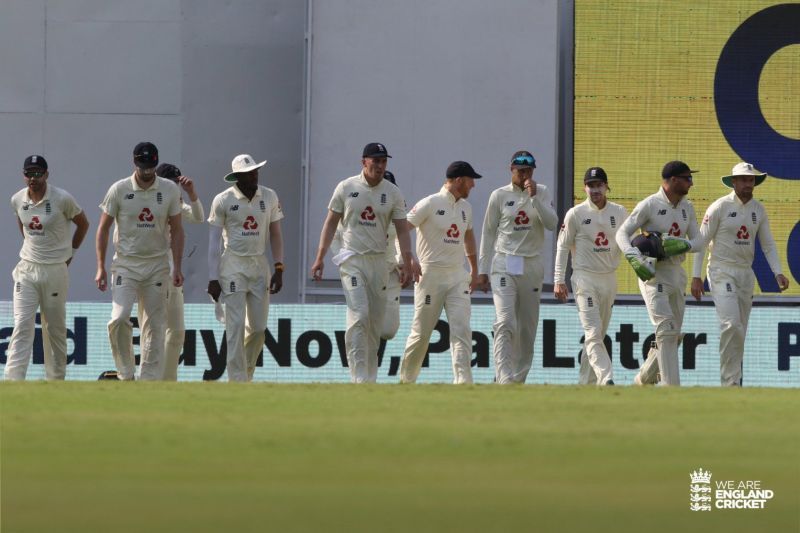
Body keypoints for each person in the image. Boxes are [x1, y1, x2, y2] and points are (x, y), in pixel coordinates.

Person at [311, 143, 419, 383]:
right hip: (353, 261)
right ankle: (358, 376)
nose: (380, 166)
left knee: (375, 323)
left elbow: (402, 231)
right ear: (364, 162)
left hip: (379, 263)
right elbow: (330, 224)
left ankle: (369, 377)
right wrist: (320, 257)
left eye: (384, 162)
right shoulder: (346, 187)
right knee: (359, 315)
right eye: (376, 161)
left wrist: (408, 260)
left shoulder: (392, 193)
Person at [690, 162, 790, 386]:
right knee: (731, 324)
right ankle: (730, 381)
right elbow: (701, 242)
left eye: (751, 179)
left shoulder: (758, 210)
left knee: (740, 329)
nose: (748, 183)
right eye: (743, 179)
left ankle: (734, 380)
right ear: (733, 182)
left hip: (746, 273)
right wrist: (697, 277)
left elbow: (768, 245)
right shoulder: (719, 207)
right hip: (720, 270)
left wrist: (778, 272)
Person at [96, 142, 184, 381]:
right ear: (135, 163)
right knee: (119, 318)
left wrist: (177, 266)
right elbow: (103, 229)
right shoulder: (119, 189)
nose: (147, 172)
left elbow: (177, 230)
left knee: (155, 324)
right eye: (143, 167)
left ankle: (148, 380)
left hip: (157, 265)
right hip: (126, 263)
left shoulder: (169, 190)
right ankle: (126, 373)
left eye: (151, 167)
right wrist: (100, 267)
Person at [4, 155, 90, 380]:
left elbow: (83, 224)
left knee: (55, 327)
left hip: (55, 271)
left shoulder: (62, 199)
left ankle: (56, 379)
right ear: (24, 175)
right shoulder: (17, 199)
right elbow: (23, 226)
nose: (33, 178)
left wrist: (69, 253)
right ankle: (13, 380)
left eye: (37, 173)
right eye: (28, 173)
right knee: (22, 324)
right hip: (27, 269)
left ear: (46, 174)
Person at [616, 160, 699, 386]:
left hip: (677, 272)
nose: (691, 183)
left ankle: (644, 378)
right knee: (666, 330)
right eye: (687, 178)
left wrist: (682, 245)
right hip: (654, 273)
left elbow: (699, 240)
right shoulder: (650, 205)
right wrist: (633, 257)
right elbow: (622, 234)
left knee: (673, 333)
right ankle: (671, 387)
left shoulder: (687, 207)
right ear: (673, 180)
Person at [477, 151, 558, 384]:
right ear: (511, 169)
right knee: (504, 320)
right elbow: (488, 232)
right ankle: (504, 378)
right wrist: (482, 271)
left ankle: (518, 379)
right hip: (505, 262)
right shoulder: (499, 195)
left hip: (532, 264)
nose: (524, 175)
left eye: (529, 170)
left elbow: (552, 223)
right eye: (520, 170)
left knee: (527, 328)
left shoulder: (541, 192)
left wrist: (534, 199)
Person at [399, 161, 482, 384]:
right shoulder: (430, 203)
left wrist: (474, 270)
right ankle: (406, 381)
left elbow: (469, 238)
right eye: (470, 180)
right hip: (430, 276)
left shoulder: (466, 208)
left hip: (457, 276)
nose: (473, 185)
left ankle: (464, 382)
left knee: (462, 328)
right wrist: (408, 259)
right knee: (422, 332)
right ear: (458, 180)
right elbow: (402, 228)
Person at [207, 154, 284, 382]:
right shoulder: (222, 200)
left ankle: (246, 373)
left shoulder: (269, 196)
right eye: (249, 173)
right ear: (237, 177)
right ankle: (236, 379)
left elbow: (276, 234)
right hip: (233, 265)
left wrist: (279, 267)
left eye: (256, 171)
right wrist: (213, 278)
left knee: (259, 328)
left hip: (260, 265)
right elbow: (214, 242)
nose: (254, 175)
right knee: (236, 326)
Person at [554, 167, 627, 386]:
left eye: (599, 185)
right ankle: (607, 378)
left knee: (597, 335)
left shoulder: (620, 212)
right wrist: (559, 280)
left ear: (606, 186)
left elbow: (629, 242)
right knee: (593, 331)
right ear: (585, 188)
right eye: (590, 185)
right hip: (584, 278)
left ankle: (585, 384)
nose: (595, 190)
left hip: (609, 278)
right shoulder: (576, 214)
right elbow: (562, 246)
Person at [329, 171, 406, 341]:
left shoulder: (395, 207)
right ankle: (360, 351)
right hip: (359, 267)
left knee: (387, 330)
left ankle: (364, 341)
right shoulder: (356, 206)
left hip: (388, 270)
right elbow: (334, 234)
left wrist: (402, 261)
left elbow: (401, 237)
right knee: (361, 317)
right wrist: (343, 259)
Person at [155, 163, 205, 381]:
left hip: (171, 269)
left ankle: (168, 380)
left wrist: (192, 193)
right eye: (172, 183)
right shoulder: (148, 200)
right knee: (155, 329)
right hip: (150, 269)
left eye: (177, 183)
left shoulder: (177, 201)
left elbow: (198, 217)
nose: (175, 187)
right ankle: (150, 378)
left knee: (176, 331)